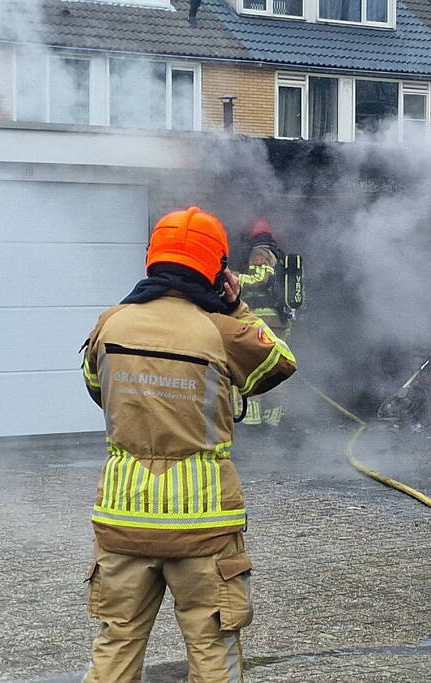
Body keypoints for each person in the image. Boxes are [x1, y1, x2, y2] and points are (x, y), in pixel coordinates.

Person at [80, 206, 296, 682]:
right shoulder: (221, 331)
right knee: (212, 648)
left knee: (116, 641)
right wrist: (236, 308)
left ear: (151, 260)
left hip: (122, 517)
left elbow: (98, 390)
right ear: (216, 270)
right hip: (204, 524)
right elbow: (279, 364)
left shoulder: (111, 325)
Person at [237, 219, 294, 427]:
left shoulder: (260, 252)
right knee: (277, 368)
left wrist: (233, 279)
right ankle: (273, 421)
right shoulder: (280, 258)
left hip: (261, 321)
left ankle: (251, 422)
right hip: (279, 322)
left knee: (252, 367)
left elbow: (259, 279)